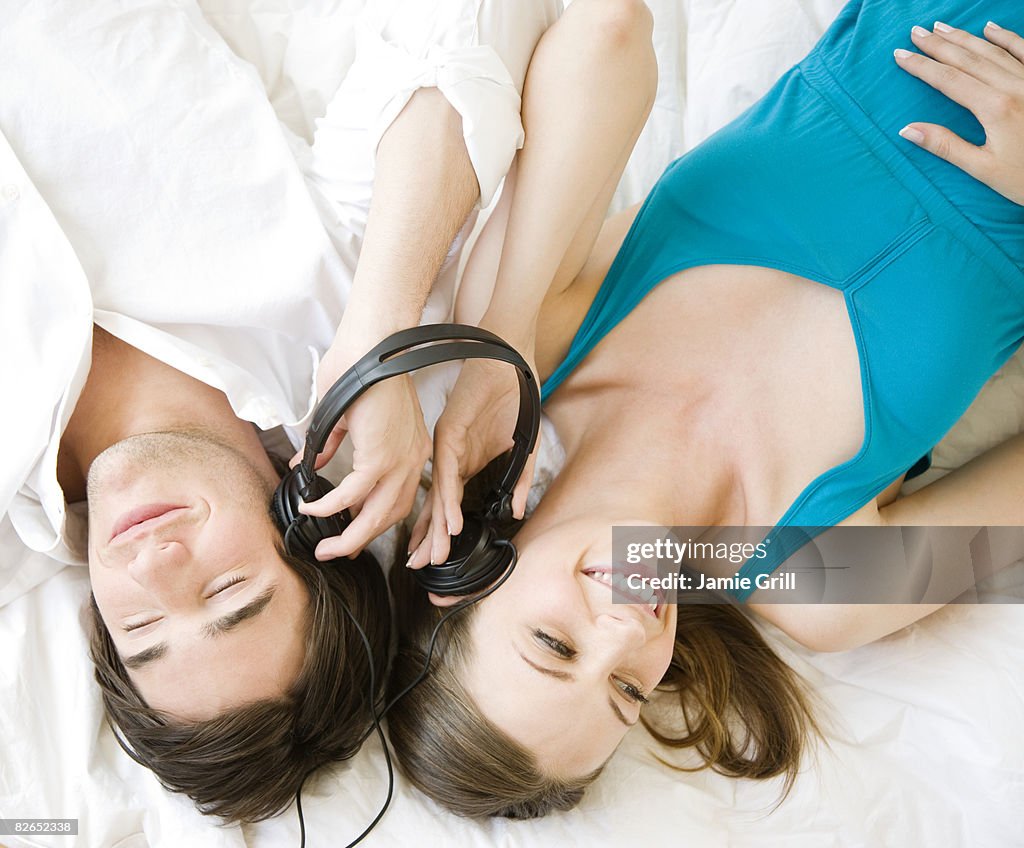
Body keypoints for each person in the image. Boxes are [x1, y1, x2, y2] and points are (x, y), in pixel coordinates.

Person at [390, 0, 1024, 817]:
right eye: (624, 689)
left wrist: (500, 325)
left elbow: (609, 31)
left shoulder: (539, 345)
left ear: (470, 578)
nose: (627, 636)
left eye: (556, 645)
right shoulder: (832, 587)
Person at [0, 0, 560, 822]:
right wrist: (380, 331)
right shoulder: (328, 313)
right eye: (228, 591)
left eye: (144, 629)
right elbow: (506, 21)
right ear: (305, 523)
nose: (153, 568)